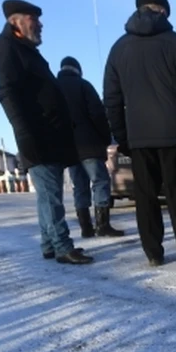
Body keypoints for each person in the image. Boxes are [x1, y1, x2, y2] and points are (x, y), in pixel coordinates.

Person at [103, 0, 176, 267]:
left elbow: (111, 99)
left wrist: (123, 136)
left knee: (146, 197)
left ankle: (153, 253)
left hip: (138, 136)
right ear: (162, 11)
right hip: (174, 133)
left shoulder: (119, 48)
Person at [0, 0, 92, 264]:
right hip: (38, 136)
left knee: (48, 195)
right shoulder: (7, 48)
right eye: (33, 19)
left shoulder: (24, 49)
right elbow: (7, 93)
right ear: (16, 21)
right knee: (51, 197)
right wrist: (25, 133)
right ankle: (62, 246)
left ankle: (49, 244)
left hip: (49, 135)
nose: (40, 24)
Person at [56, 56, 124, 238]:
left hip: (68, 147)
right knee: (100, 182)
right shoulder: (83, 85)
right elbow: (98, 113)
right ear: (78, 69)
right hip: (89, 144)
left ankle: (86, 227)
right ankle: (103, 225)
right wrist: (104, 138)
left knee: (79, 186)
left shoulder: (53, 87)